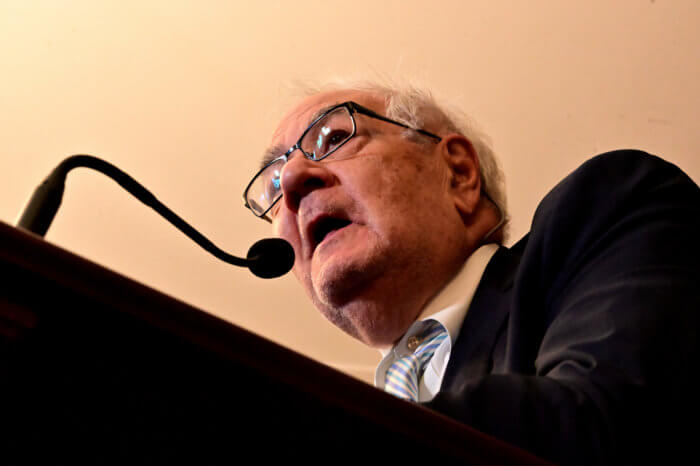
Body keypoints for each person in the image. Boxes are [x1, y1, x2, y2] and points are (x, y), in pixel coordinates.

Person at [242, 80, 699, 465]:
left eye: (334, 137)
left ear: (458, 173)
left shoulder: (603, 212)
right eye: (274, 183)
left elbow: (603, 429)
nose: (295, 178)